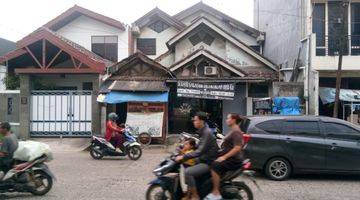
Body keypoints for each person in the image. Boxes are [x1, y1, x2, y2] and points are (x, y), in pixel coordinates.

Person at [175, 112, 219, 200]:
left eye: (195, 120)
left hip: (208, 162)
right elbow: (199, 146)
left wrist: (183, 157)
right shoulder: (202, 131)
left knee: (188, 172)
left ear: (201, 121)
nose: (194, 122)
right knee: (188, 165)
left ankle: (195, 196)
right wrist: (186, 147)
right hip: (202, 159)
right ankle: (188, 195)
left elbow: (199, 152)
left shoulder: (207, 132)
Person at [205, 113, 244, 200]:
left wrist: (224, 157)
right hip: (230, 157)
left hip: (234, 160)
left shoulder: (236, 131)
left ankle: (216, 192)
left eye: (228, 118)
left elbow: (237, 147)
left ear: (233, 120)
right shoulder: (233, 129)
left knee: (215, 165)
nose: (226, 120)